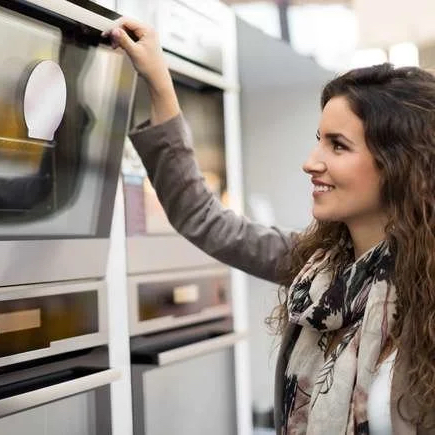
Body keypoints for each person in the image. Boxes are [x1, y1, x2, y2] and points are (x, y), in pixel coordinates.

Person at [105, 18, 435, 435]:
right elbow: (203, 218)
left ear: (400, 167)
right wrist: (159, 82)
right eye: (319, 139)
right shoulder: (315, 267)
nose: (311, 161)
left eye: (338, 145)